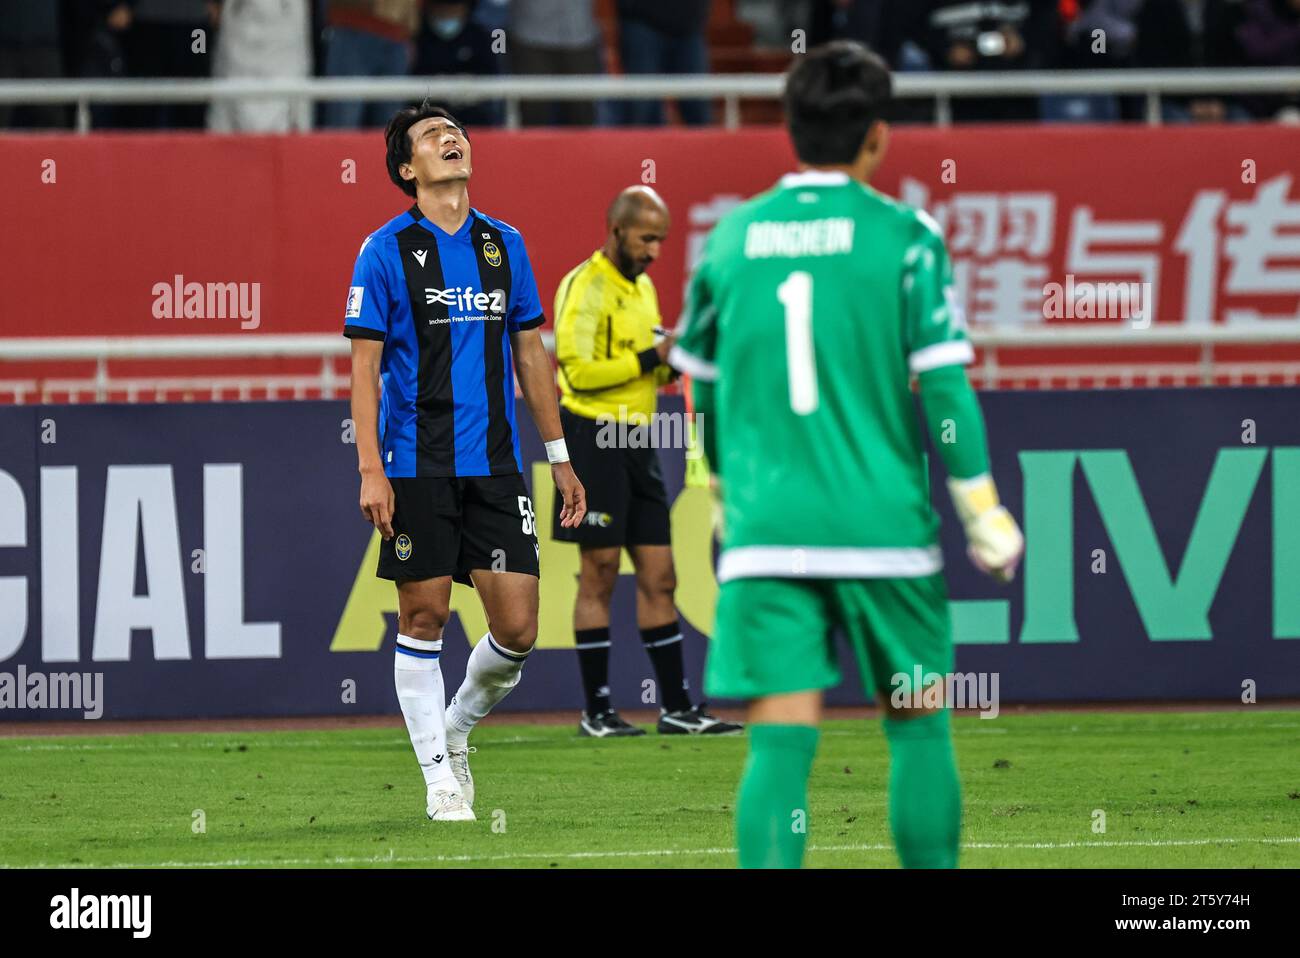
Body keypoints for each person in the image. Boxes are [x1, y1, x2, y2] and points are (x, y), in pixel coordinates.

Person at [669, 41, 1024, 868]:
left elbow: (704, 396)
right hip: (883, 532)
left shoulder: (731, 239)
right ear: (877, 136)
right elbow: (944, 391)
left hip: (768, 531)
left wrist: (721, 495)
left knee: (779, 746)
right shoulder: (906, 237)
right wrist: (981, 509)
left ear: (790, 130)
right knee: (917, 724)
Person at [344, 101, 587, 821]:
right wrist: (368, 468)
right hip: (415, 461)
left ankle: (454, 730)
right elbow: (363, 369)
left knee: (517, 630)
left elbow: (529, 352)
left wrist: (562, 456)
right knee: (424, 617)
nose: (449, 139)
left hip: (495, 463)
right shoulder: (384, 250)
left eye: (455, 131)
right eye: (430, 136)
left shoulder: (503, 244)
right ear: (405, 168)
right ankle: (437, 780)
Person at [551, 186, 743, 738]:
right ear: (616, 230)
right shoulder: (583, 286)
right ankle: (598, 711)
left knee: (661, 575)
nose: (655, 249)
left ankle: (677, 707)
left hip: (639, 438)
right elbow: (575, 372)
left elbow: (644, 367)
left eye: (660, 239)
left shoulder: (644, 289)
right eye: (646, 238)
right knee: (600, 572)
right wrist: (649, 357)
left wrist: (669, 365)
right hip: (592, 434)